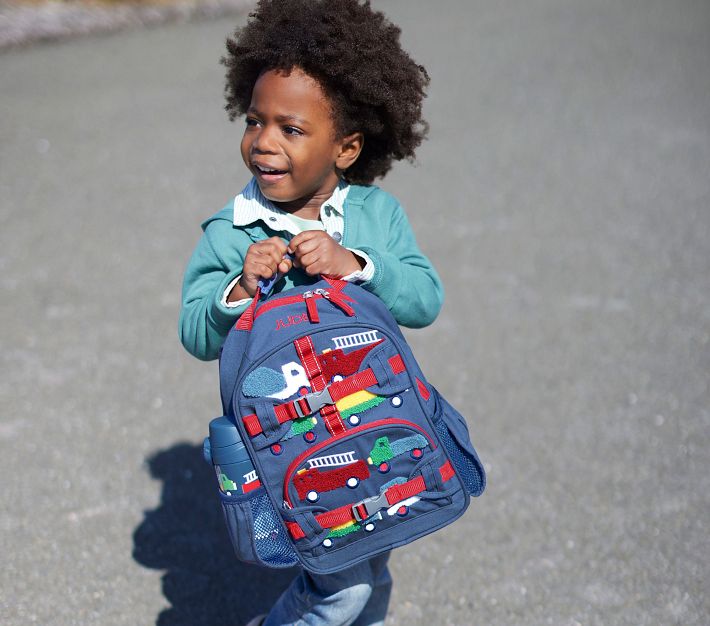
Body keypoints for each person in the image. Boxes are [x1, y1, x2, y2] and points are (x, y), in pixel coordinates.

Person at [179, 1, 444, 623]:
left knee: (372, 576)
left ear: (346, 147)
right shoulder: (232, 230)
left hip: (372, 429)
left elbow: (425, 299)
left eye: (291, 129)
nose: (263, 143)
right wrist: (240, 289)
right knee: (340, 592)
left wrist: (354, 263)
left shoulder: (376, 216)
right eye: (254, 121)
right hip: (289, 445)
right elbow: (194, 331)